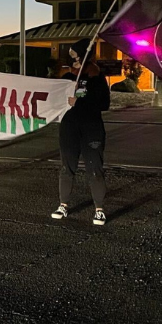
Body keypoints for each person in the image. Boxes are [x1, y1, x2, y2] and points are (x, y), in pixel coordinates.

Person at [51, 38, 110, 226]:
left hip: (91, 127)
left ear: (83, 55)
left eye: (74, 55)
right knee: (67, 167)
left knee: (94, 168)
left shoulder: (96, 76)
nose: (72, 59)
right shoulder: (67, 78)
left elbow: (104, 103)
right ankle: (63, 205)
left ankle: (99, 209)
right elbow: (52, 97)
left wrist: (80, 101)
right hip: (69, 127)